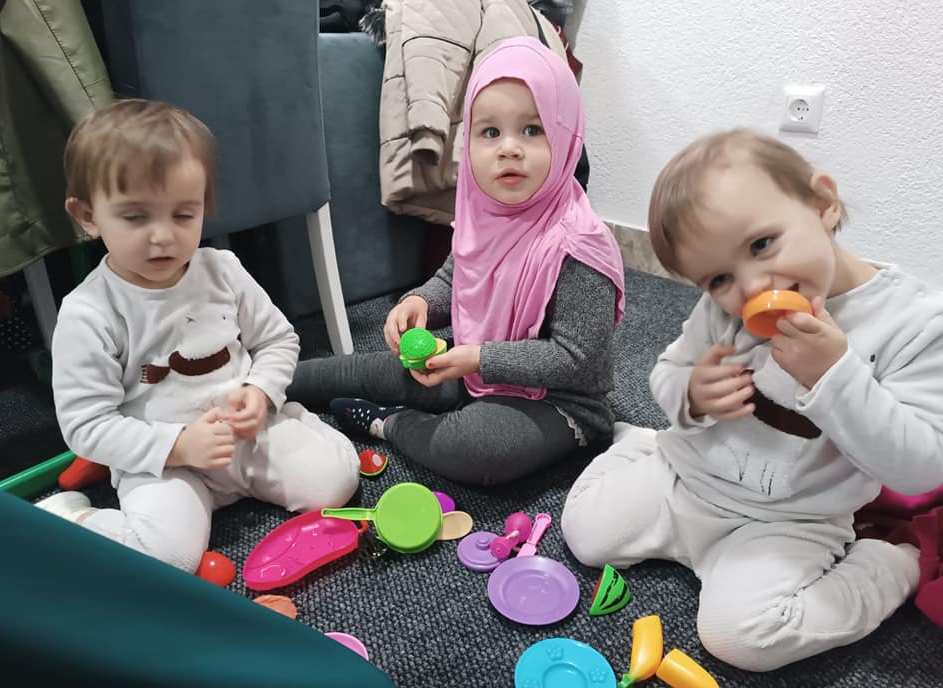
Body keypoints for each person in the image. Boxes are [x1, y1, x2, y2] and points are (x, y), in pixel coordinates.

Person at [561, 128, 943, 671]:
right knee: (584, 535)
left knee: (741, 639)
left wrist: (835, 375)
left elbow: (919, 468)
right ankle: (637, 445)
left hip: (792, 520)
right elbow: (666, 371)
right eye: (719, 278)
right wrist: (691, 395)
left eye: (762, 244)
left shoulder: (915, 325)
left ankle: (890, 567)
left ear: (823, 204)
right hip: (685, 479)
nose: (752, 286)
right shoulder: (727, 311)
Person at [37, 99, 360, 573]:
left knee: (336, 482)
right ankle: (76, 518)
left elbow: (277, 341)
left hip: (246, 436)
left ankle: (292, 431)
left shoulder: (222, 271)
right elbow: (86, 425)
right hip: (163, 463)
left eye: (183, 215)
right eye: (135, 217)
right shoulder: (89, 313)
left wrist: (260, 391)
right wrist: (177, 446)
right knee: (168, 558)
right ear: (87, 214)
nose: (163, 236)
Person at [288, 37, 626, 486]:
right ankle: (270, 380)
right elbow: (455, 275)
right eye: (490, 133)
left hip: (559, 401)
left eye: (532, 129)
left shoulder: (580, 246)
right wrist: (419, 302)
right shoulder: (486, 214)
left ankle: (387, 422)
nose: (509, 149)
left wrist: (479, 359)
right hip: (476, 365)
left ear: (566, 136)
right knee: (369, 368)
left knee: (475, 451)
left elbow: (575, 359)